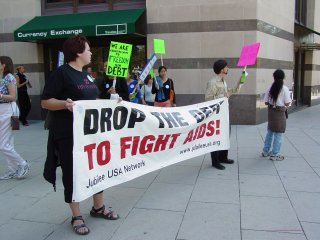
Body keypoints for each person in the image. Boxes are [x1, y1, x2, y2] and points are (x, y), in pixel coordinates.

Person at [41, 35, 119, 236]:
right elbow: (45, 101)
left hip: (90, 134)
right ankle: (76, 215)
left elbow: (91, 99)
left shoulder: (86, 75)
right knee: (72, 174)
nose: (91, 52)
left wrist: (111, 99)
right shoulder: (61, 73)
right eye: (88, 49)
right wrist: (63, 104)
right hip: (68, 134)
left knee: (97, 169)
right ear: (78, 52)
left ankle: (98, 207)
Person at [205, 59, 241, 170]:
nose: (228, 68)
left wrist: (241, 81)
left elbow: (231, 91)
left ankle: (223, 157)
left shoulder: (223, 81)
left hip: (224, 113)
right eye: (226, 67)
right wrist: (223, 97)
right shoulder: (212, 82)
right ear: (221, 69)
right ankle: (215, 161)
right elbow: (208, 99)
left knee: (225, 135)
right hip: (216, 115)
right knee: (216, 137)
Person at [0, 56, 30, 180]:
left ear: (4, 65)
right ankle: (13, 170)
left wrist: (0, 95)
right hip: (5, 110)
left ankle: (22, 163)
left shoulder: (9, 77)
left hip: (10, 110)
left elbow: (13, 96)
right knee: (8, 142)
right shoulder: (3, 77)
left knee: (3, 144)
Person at [262, 69, 291, 161]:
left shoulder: (269, 87)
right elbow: (287, 102)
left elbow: (266, 102)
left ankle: (265, 151)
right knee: (278, 133)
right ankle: (274, 154)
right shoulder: (285, 88)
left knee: (270, 131)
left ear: (274, 77)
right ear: (283, 78)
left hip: (271, 112)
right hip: (280, 112)